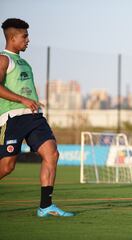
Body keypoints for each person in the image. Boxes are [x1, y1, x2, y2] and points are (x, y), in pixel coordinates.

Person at [0, 18, 74, 217]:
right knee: (7, 166)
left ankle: (45, 206)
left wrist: (32, 103)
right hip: (12, 119)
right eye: (24, 36)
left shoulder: (24, 62)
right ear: (12, 37)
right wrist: (22, 100)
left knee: (52, 154)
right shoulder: (3, 59)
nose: (28, 40)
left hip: (34, 118)